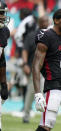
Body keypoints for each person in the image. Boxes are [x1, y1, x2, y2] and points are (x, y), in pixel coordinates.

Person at [22, 15, 50, 123]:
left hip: (47, 70)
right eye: (43, 21)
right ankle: (26, 115)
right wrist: (25, 64)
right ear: (39, 23)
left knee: (46, 93)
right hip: (34, 69)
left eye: (46, 21)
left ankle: (45, 117)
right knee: (31, 92)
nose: (45, 23)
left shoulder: (51, 35)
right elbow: (25, 50)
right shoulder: (32, 35)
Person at [0, 0, 10, 130]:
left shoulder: (4, 31)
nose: (3, 16)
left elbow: (1, 59)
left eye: (3, 13)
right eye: (1, 13)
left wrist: (3, 83)